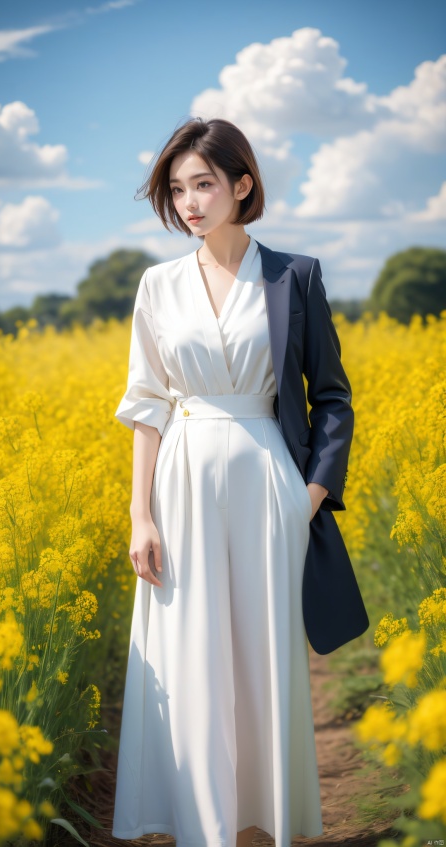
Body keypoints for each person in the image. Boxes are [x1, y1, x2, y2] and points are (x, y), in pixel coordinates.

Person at [112, 117, 353, 847]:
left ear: (242, 185)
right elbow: (148, 404)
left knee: (261, 659)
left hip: (268, 484)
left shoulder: (294, 275)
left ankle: (262, 822)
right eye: (177, 188)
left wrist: (306, 497)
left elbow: (332, 397)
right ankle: (201, 826)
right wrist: (140, 516)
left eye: (204, 184)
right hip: (179, 481)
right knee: (190, 655)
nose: (188, 201)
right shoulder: (157, 284)